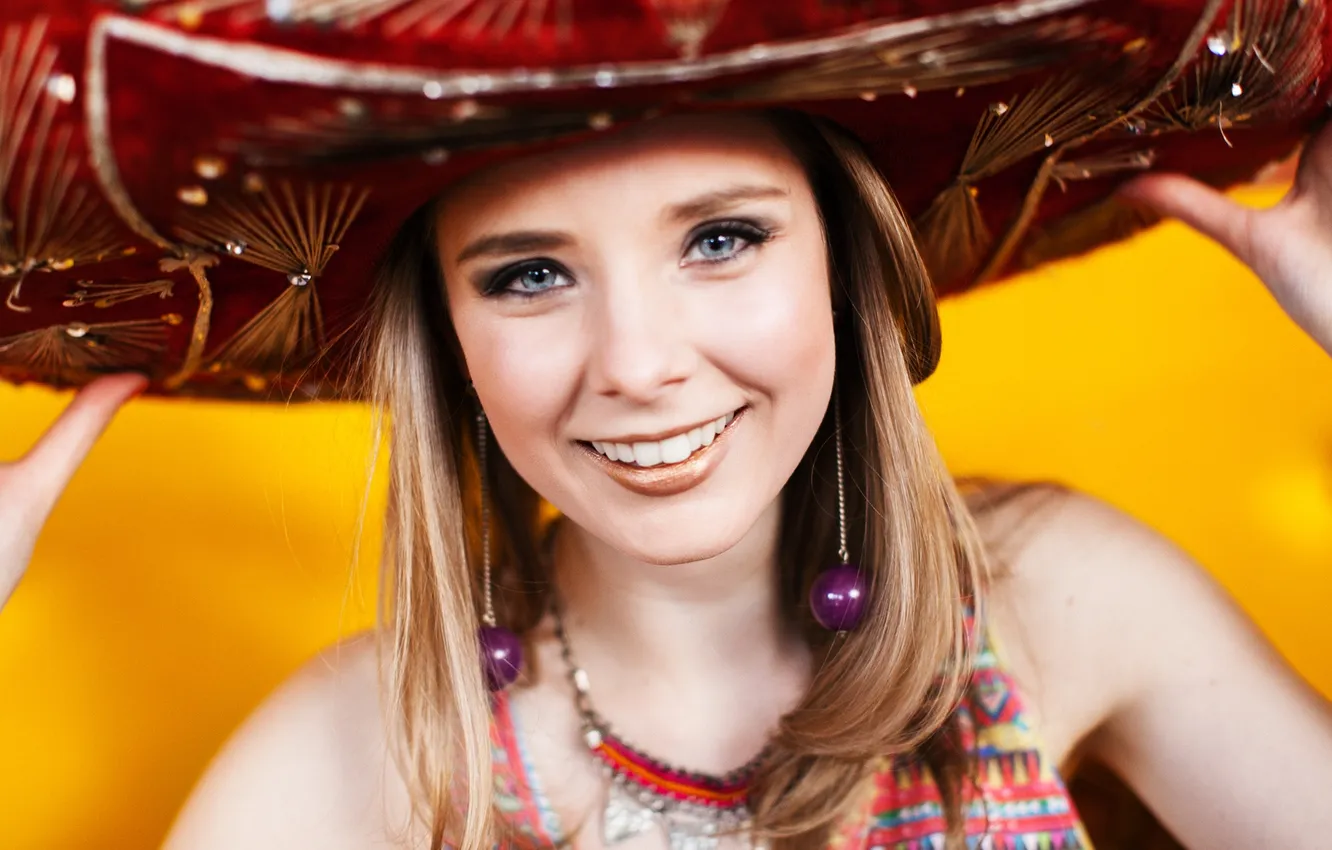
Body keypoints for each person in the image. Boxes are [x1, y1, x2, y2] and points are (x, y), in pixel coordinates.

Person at [3, 109, 1332, 850]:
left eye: (722, 237)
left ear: (844, 259)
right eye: (529, 273)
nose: (638, 364)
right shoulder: (369, 748)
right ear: (448, 343)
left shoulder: (1059, 597)